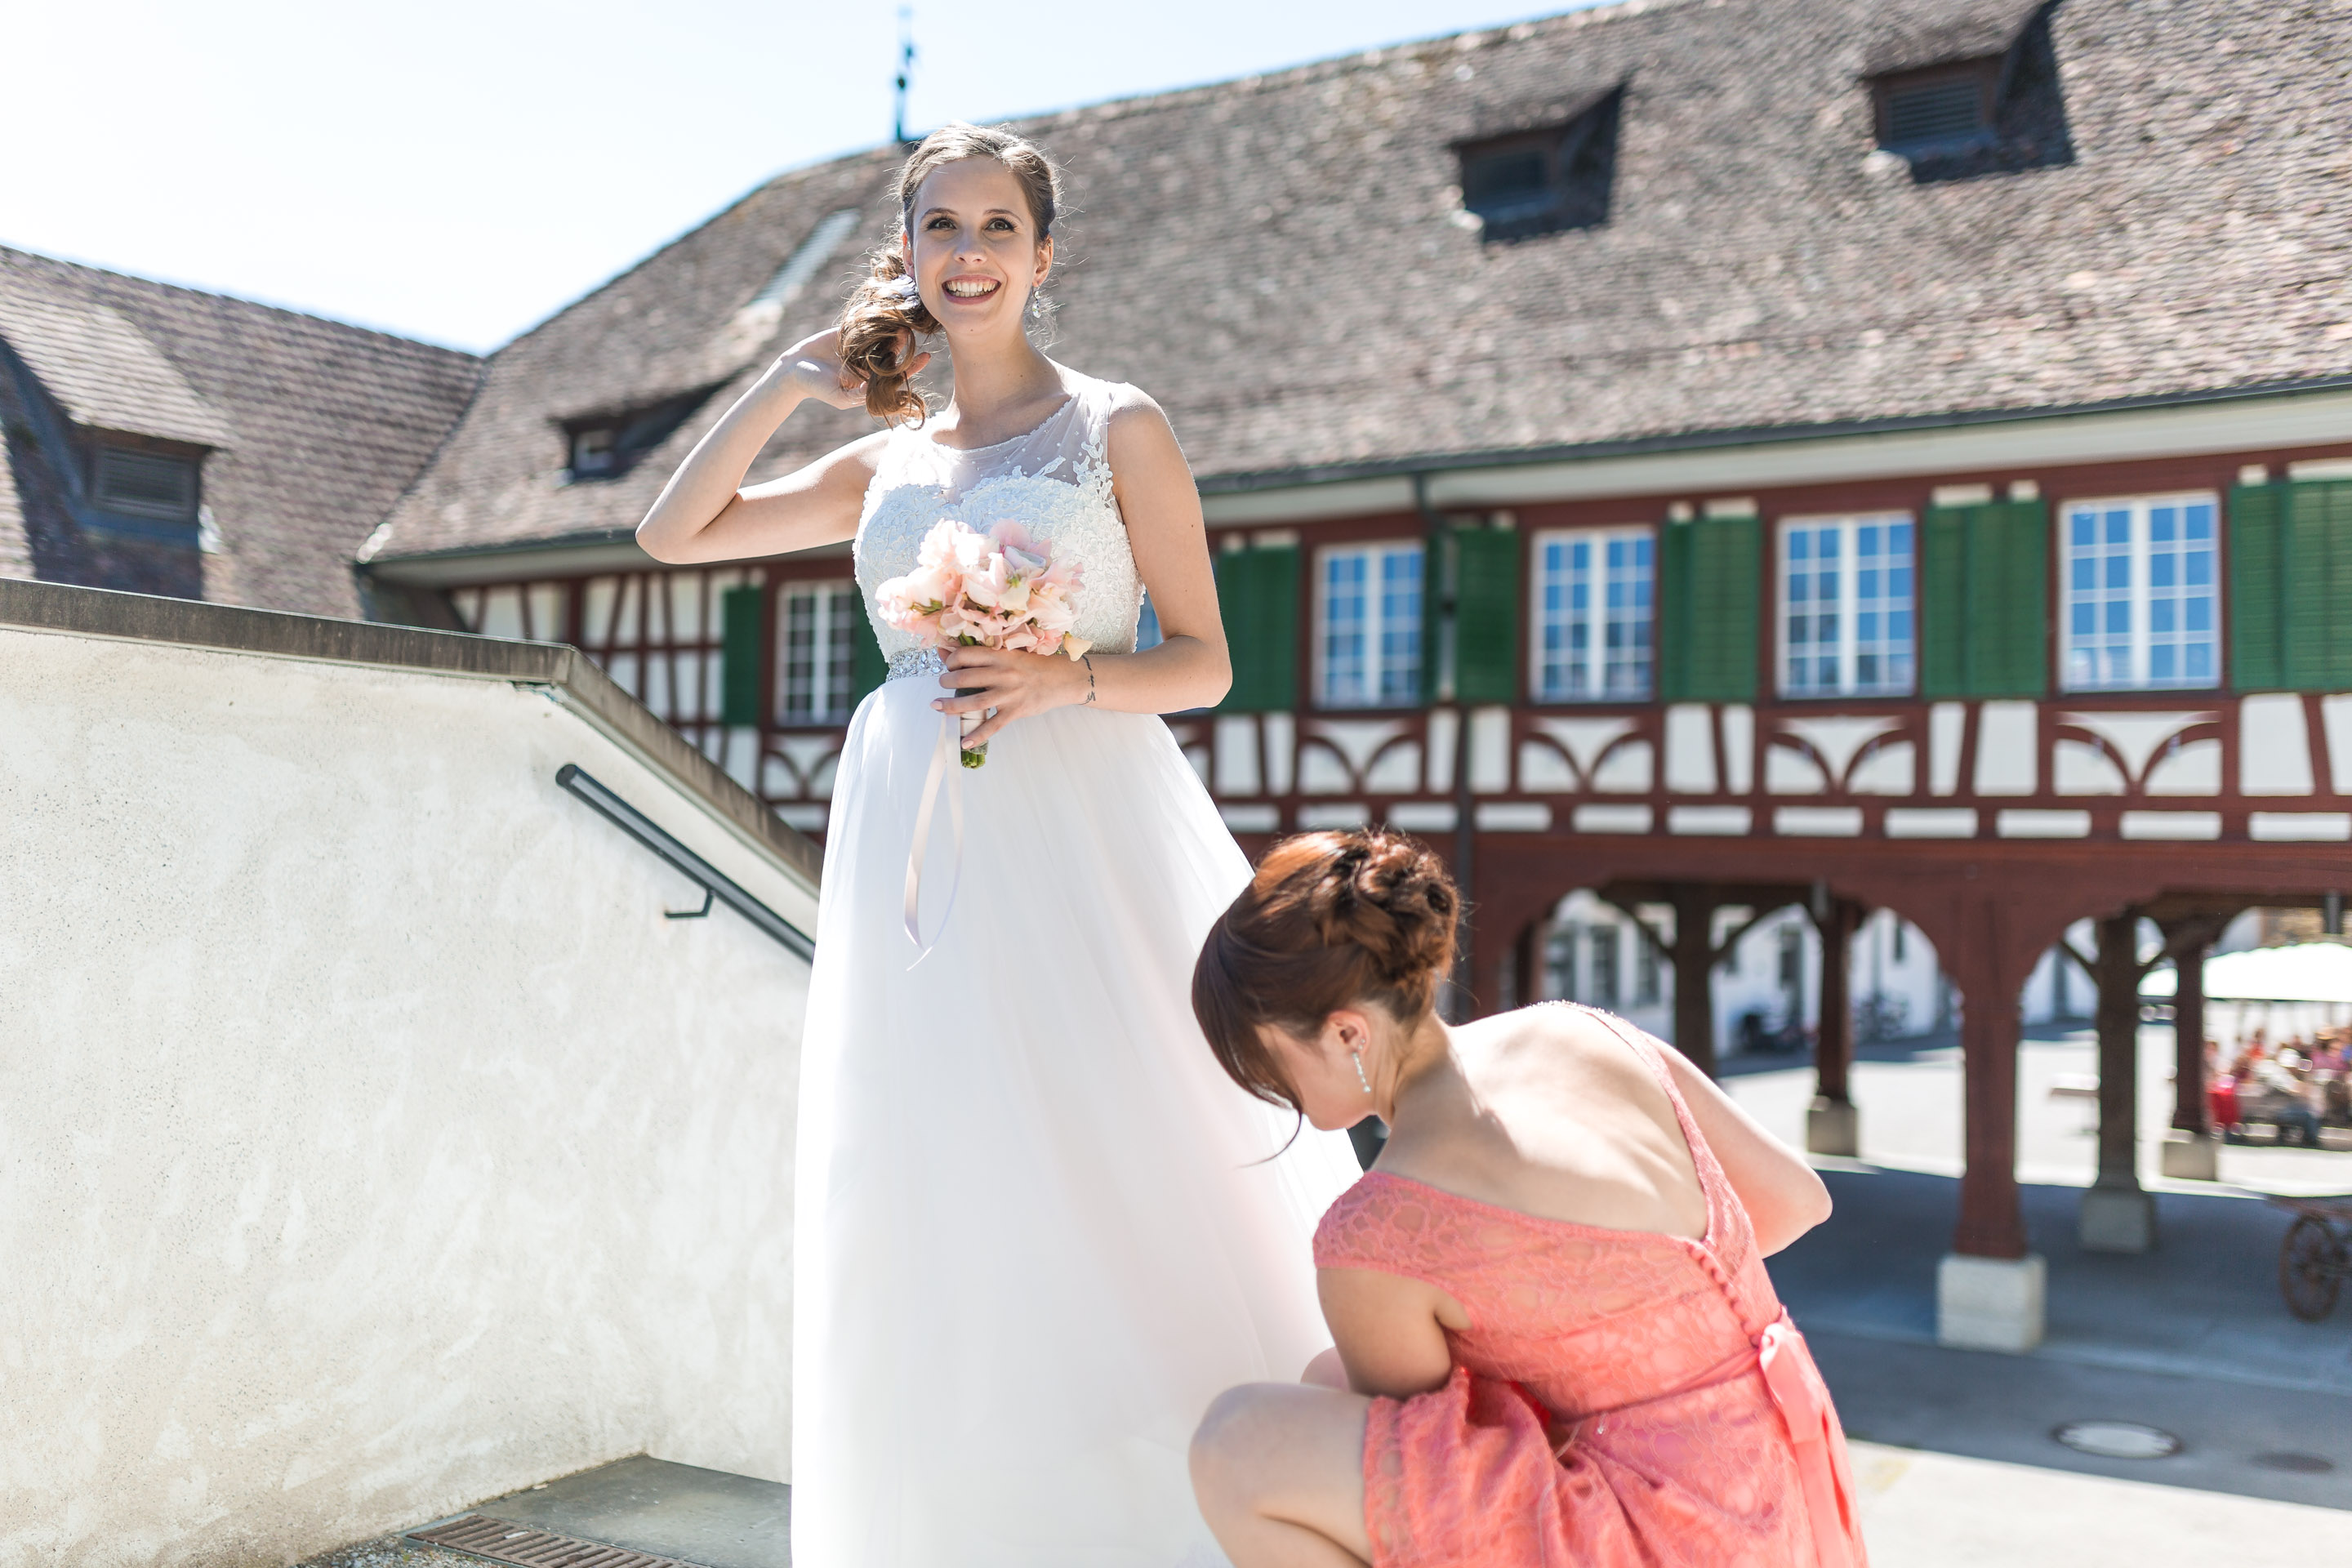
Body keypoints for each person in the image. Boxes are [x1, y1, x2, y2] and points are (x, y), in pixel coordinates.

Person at [636, 123, 1360, 1567]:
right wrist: (791, 383)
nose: (967, 254)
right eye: (939, 229)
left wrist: (1064, 676)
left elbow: (1207, 660)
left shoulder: (1118, 427)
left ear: (1044, 256)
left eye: (995, 228)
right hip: (912, 811)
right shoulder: (883, 461)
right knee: (941, 1154)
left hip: (1082, 806)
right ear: (905, 256)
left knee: (1130, 1121)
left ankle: (1212, 1492)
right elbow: (671, 534)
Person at [1185, 829, 1865, 1568]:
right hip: (1783, 1490)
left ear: (1347, 1030)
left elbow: (1433, 1482)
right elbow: (1798, 1201)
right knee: (1327, 1377)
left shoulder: (1378, 1232)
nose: (1262, 1087)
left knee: (1237, 1446)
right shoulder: (1580, 1031)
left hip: (1660, 1533)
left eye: (1263, 1058)